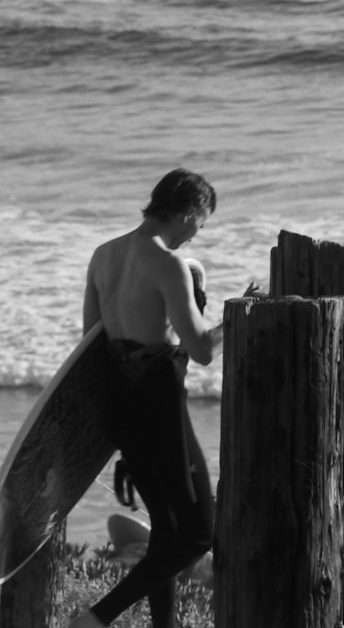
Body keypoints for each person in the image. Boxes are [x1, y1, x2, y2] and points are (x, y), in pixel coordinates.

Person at [70, 168, 223, 628]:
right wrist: (242, 314)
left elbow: (90, 345)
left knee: (166, 533)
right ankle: (97, 617)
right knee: (198, 534)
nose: (198, 234)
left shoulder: (104, 255)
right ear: (188, 212)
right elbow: (201, 351)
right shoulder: (167, 263)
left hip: (118, 404)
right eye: (202, 222)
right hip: (158, 405)